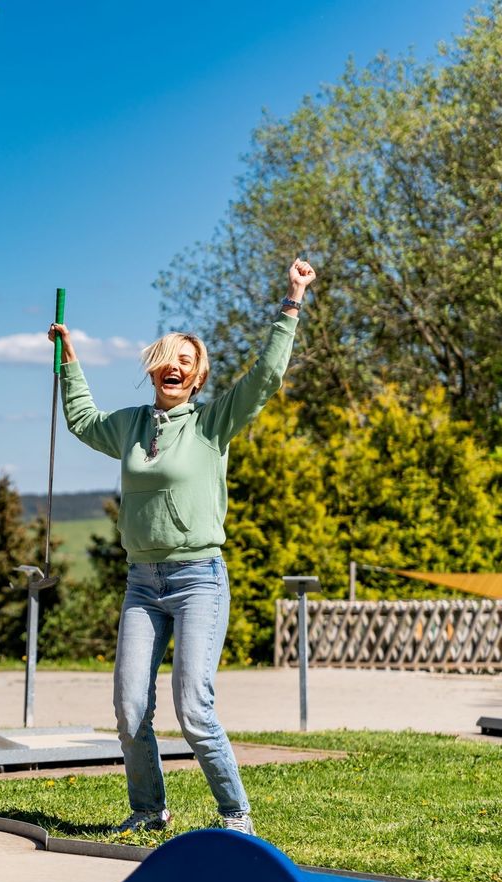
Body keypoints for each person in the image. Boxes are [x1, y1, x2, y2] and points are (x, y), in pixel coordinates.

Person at [49, 258, 316, 835]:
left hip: (199, 579)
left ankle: (235, 816)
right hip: (142, 582)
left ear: (197, 378)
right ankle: (149, 811)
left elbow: (265, 377)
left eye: (185, 363)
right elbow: (80, 419)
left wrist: (291, 302)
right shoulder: (128, 426)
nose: (174, 368)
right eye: (166, 360)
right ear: (153, 371)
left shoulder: (213, 423)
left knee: (193, 710)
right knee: (129, 710)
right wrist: (67, 356)